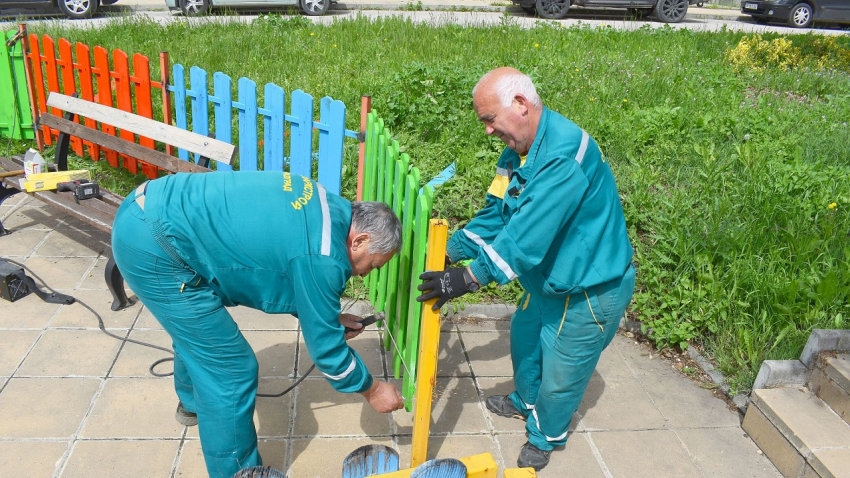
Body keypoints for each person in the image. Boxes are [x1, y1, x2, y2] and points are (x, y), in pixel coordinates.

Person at [111, 170, 404, 478]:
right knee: (230, 371)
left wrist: (328, 317)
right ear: (360, 239)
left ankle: (192, 404)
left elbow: (286, 266)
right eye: (373, 264)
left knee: (201, 334)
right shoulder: (322, 255)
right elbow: (327, 353)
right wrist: (372, 389)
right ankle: (236, 473)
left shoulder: (325, 205)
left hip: (152, 207)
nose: (364, 275)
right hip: (153, 246)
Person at [417, 67, 635, 471]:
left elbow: (524, 241)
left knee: (562, 370)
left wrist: (466, 278)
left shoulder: (562, 158)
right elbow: (497, 215)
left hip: (589, 287)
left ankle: (545, 435)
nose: (486, 130)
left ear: (519, 105)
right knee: (524, 337)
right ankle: (525, 401)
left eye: (488, 119)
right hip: (552, 278)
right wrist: (450, 251)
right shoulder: (516, 152)